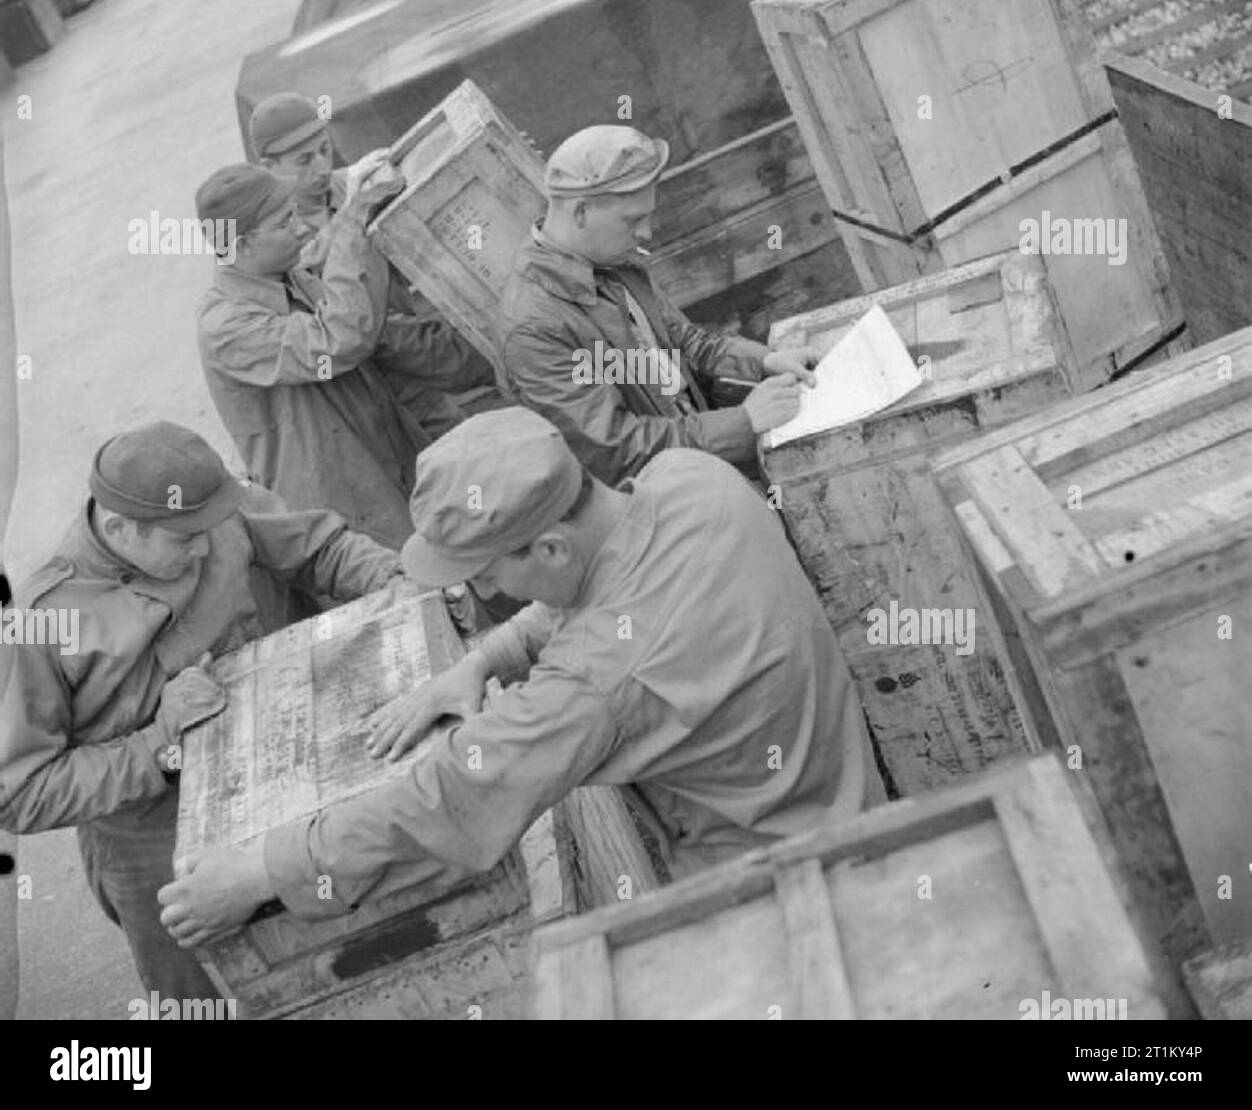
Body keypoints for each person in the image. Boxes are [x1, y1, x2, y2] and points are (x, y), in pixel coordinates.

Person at [157, 409, 883, 946]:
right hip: (849, 797)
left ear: (551, 546)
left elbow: (449, 796)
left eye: (490, 571)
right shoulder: (687, 479)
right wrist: (483, 658)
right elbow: (612, 586)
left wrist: (258, 872)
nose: (487, 591)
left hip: (779, 894)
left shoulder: (595, 685)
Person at [0, 422, 402, 1002]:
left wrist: (393, 577)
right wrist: (158, 745)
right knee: (201, 992)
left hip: (276, 753)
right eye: (182, 541)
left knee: (344, 929)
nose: (206, 547)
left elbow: (318, 547)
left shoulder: (208, 511)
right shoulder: (40, 626)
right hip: (152, 829)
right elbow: (20, 792)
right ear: (118, 528)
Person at [497, 124, 820, 485]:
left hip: (698, 465)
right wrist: (742, 423)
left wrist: (764, 361)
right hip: (657, 504)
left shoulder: (612, 261)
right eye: (633, 220)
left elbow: (687, 343)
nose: (646, 233)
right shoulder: (533, 328)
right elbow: (617, 449)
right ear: (581, 212)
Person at [196, 162, 449, 549]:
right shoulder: (226, 327)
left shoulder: (287, 275)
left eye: (296, 213)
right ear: (241, 245)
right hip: (342, 518)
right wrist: (354, 218)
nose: (301, 228)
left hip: (389, 469)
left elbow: (385, 340)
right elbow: (340, 339)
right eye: (284, 222)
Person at [248, 91, 502, 437]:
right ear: (269, 168)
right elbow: (304, 268)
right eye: (304, 160)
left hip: (415, 365)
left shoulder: (348, 184)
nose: (321, 167)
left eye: (324, 150)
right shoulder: (271, 232)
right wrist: (355, 209)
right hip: (363, 385)